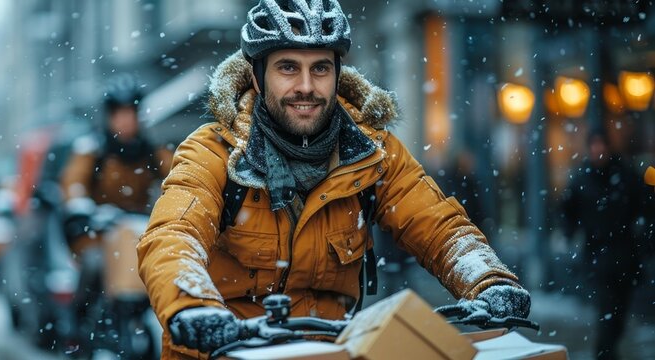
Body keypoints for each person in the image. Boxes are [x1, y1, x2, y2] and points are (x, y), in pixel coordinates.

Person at [136, 1, 531, 358]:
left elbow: (439, 226)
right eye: (288, 67)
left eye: (320, 68)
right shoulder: (214, 151)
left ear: (337, 74)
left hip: (329, 351)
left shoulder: (372, 152)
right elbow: (174, 236)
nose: (306, 86)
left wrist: (487, 280)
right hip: (228, 349)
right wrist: (193, 307)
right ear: (257, 77)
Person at [59, 73, 173, 353]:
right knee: (94, 265)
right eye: (119, 114)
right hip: (97, 232)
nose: (125, 121)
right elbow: (73, 182)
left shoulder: (150, 151)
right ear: (109, 117)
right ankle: (77, 326)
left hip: (137, 231)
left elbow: (180, 176)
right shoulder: (91, 149)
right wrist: (81, 208)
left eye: (130, 114)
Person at [561, 130, 649, 359]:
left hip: (625, 255)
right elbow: (567, 209)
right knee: (607, 311)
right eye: (594, 145)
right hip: (598, 256)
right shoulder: (583, 178)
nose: (598, 151)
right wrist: (570, 234)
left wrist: (644, 240)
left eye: (601, 145)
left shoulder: (626, 175)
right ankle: (604, 353)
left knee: (620, 312)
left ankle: (608, 351)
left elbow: (645, 207)